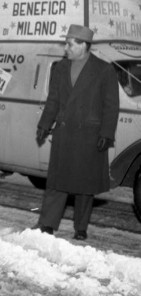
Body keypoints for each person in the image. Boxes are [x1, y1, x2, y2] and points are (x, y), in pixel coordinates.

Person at [34, 24, 119, 240]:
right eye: (67, 43)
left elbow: (111, 106)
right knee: (56, 183)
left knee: (84, 185)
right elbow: (53, 100)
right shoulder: (60, 68)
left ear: (83, 46)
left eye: (70, 44)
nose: (66, 48)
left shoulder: (104, 70)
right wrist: (44, 124)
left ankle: (81, 228)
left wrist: (106, 134)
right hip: (64, 132)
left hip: (89, 135)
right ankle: (47, 224)